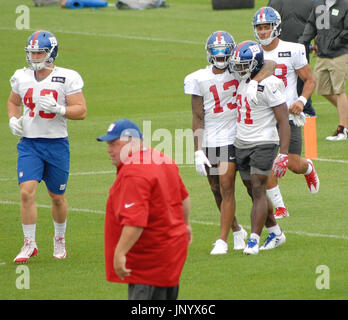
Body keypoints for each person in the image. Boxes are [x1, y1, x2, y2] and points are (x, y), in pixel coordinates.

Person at [184, 31, 276, 254]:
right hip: (210, 140)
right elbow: (198, 116)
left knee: (233, 186)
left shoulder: (240, 69)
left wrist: (254, 81)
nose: (220, 56)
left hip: (236, 137)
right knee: (217, 190)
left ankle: (223, 240)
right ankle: (240, 230)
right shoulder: (198, 78)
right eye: (216, 52)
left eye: (224, 51)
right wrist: (197, 150)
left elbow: (270, 63)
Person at [8, 30, 87, 263]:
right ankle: (29, 243)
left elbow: (81, 111)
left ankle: (59, 239)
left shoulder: (68, 77)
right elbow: (13, 101)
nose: (34, 57)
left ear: (51, 52)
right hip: (30, 144)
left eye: (39, 52)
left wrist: (60, 109)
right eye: (31, 53)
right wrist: (13, 119)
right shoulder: (21, 77)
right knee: (26, 192)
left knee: (57, 197)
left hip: (56, 144)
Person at [97, 119, 192, 300]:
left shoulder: (134, 171)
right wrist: (186, 225)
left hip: (149, 263)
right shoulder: (162, 159)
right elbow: (184, 197)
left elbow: (135, 222)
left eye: (113, 144)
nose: (109, 149)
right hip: (170, 255)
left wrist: (119, 253)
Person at [253, 7, 320, 219]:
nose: (263, 32)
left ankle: (307, 167)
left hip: (288, 115)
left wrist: (301, 100)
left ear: (277, 27)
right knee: (266, 165)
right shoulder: (252, 52)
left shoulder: (294, 49)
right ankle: (280, 207)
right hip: (263, 117)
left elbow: (309, 79)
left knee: (292, 163)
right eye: (259, 28)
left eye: (267, 27)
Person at [230, 40, 290, 255]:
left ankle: (253, 239)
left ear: (255, 63)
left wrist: (283, 153)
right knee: (254, 191)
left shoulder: (270, 83)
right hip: (242, 142)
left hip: (264, 141)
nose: (238, 68)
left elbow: (283, 120)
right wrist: (253, 79)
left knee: (257, 187)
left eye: (243, 64)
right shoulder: (243, 78)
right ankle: (275, 231)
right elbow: (269, 62)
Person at [299, 0, 348, 141]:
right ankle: (345, 114)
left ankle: (343, 129)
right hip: (322, 55)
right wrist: (303, 43)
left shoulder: (345, 4)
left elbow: (346, 30)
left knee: (338, 90)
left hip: (340, 53)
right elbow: (311, 25)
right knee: (322, 89)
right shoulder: (319, 4)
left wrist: (334, 42)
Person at [267, 0, 316, 117]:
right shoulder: (309, 2)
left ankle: (305, 108)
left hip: (290, 47)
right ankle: (306, 108)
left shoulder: (274, 2)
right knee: (294, 79)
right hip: (296, 46)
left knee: (298, 79)